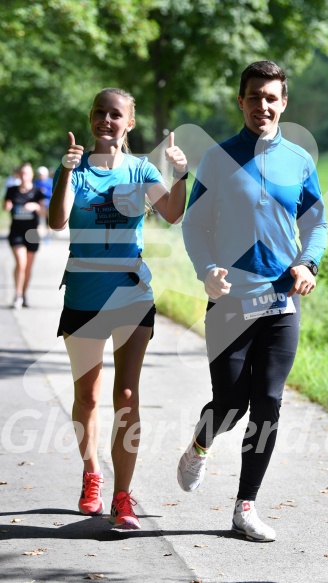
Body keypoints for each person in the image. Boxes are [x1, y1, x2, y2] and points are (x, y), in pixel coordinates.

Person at [178, 61, 328, 542]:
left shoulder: (300, 161)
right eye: (253, 96)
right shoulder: (218, 160)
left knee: (267, 402)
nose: (262, 105)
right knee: (229, 404)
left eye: (271, 97)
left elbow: (316, 224)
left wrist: (308, 263)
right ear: (240, 101)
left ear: (283, 102)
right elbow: (194, 225)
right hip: (230, 302)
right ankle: (200, 444)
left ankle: (246, 507)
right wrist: (207, 272)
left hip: (281, 302)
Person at [49, 87, 187, 530]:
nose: (106, 120)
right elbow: (57, 220)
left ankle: (123, 497)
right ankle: (92, 473)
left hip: (130, 293)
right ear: (91, 119)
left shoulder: (141, 169)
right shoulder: (75, 167)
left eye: (115, 115)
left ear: (129, 124)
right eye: (99, 113)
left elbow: (171, 213)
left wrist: (182, 175)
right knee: (87, 396)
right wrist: (64, 174)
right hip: (84, 295)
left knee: (126, 395)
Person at [3, 162, 46, 309]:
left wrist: (35, 206)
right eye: (21, 173)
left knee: (27, 267)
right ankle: (17, 295)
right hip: (17, 232)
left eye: (26, 173)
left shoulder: (37, 191)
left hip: (32, 233)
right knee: (21, 263)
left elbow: (44, 212)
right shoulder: (12, 190)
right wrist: (7, 206)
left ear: (31, 175)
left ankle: (23, 294)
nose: (24, 176)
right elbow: (5, 205)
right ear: (18, 175)